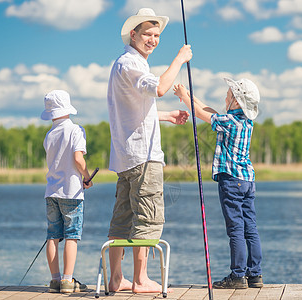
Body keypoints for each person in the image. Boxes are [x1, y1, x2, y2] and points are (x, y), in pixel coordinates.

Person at [106, 8, 192, 293]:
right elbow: (160, 89)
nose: (153, 40)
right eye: (147, 34)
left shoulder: (126, 64)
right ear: (133, 34)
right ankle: (140, 280)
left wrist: (166, 116)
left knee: (123, 218)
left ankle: (117, 278)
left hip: (127, 157)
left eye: (156, 35)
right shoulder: (133, 64)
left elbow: (137, 110)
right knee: (148, 217)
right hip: (144, 157)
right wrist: (180, 59)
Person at [173, 78, 263, 289]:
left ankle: (238, 275)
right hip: (248, 180)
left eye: (229, 95)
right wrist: (189, 95)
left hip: (231, 181)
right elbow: (208, 110)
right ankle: (255, 275)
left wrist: (184, 97)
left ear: (237, 102)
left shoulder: (229, 122)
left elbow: (202, 115)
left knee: (236, 229)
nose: (225, 97)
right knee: (250, 227)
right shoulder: (245, 122)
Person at [41, 90, 93, 293]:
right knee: (72, 236)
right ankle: (67, 281)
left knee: (52, 236)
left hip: (51, 191)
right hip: (71, 191)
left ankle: (54, 280)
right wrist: (87, 177)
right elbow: (78, 159)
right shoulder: (76, 130)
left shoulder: (49, 134)